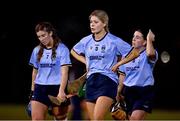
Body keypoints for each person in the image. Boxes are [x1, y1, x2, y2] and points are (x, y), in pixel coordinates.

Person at [70, 9, 132, 120]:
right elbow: (73, 51)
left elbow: (134, 52)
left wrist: (119, 63)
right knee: (93, 119)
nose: (92, 25)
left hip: (107, 81)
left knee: (98, 118)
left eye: (96, 22)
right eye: (91, 22)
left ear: (104, 23)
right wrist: (85, 61)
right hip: (91, 82)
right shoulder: (86, 40)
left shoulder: (114, 40)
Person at [28, 21, 71, 120]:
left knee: (60, 118)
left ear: (50, 33)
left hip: (57, 88)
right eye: (39, 37)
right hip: (40, 88)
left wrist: (61, 91)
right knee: (36, 119)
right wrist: (32, 90)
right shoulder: (36, 50)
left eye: (43, 35)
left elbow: (64, 72)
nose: (41, 39)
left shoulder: (62, 49)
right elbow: (35, 72)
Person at [113, 28, 158, 120]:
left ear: (144, 42)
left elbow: (150, 53)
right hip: (128, 92)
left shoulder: (149, 53)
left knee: (134, 119)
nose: (134, 39)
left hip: (144, 91)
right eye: (133, 36)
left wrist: (149, 39)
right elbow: (122, 75)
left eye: (137, 37)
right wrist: (118, 93)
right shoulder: (126, 56)